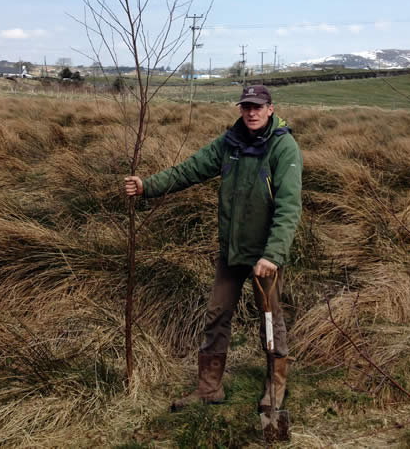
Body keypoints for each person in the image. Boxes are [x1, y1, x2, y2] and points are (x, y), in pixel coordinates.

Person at [125, 84, 302, 412]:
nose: (251, 112)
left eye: (258, 107)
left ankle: (275, 387)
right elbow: (189, 169)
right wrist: (147, 186)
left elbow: (289, 207)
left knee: (269, 321)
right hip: (232, 251)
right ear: (240, 109)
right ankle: (209, 388)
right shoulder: (229, 143)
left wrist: (273, 255)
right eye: (246, 106)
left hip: (264, 257)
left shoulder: (284, 147)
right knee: (216, 314)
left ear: (270, 109)